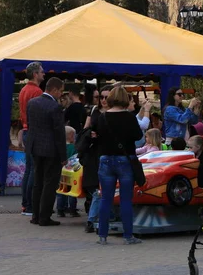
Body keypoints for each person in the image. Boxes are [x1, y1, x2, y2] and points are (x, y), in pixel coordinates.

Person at [92, 86, 143, 245]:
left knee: (106, 198)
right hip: (125, 160)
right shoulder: (129, 117)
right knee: (126, 199)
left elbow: (97, 136)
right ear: (126, 99)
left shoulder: (102, 117)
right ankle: (128, 236)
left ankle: (102, 235)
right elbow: (138, 136)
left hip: (106, 159)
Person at [26, 77, 67, 226]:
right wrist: (63, 156)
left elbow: (31, 125)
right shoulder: (54, 107)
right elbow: (59, 134)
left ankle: (35, 215)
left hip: (35, 147)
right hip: (51, 150)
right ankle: (45, 217)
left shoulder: (32, 103)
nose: (61, 95)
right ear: (54, 90)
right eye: (60, 91)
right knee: (50, 184)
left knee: (38, 182)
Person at [82, 85, 112, 234]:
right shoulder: (94, 111)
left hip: (108, 152)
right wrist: (90, 134)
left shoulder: (116, 112)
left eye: (107, 97)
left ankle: (95, 219)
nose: (104, 100)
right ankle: (92, 220)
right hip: (95, 153)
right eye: (101, 97)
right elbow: (86, 129)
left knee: (101, 190)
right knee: (97, 190)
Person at [18, 61, 45, 216]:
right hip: (34, 132)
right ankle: (30, 205)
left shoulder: (23, 90)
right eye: (41, 72)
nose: (43, 74)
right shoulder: (37, 92)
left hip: (27, 130)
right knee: (35, 169)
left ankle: (25, 204)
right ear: (35, 74)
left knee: (29, 169)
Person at [56, 126, 79, 218]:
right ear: (71, 136)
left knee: (61, 191)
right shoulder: (74, 147)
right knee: (72, 192)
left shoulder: (60, 147)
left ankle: (60, 210)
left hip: (61, 172)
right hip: (72, 173)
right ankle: (73, 210)